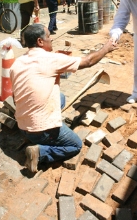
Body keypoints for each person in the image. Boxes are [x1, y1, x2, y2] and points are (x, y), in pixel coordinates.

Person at [10, 23, 117, 173]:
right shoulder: (51, 59)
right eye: (48, 36)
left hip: (22, 125)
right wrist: (106, 48)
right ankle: (40, 152)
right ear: (40, 42)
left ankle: (34, 135)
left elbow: (15, 98)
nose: (51, 38)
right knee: (75, 145)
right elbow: (88, 61)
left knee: (60, 98)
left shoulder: (17, 63)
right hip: (40, 130)